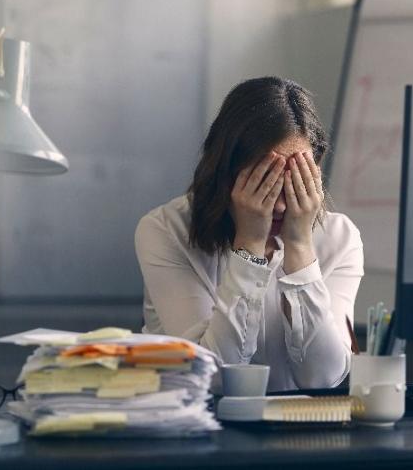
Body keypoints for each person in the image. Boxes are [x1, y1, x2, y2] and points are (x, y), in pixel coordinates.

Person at [135, 76, 363, 391]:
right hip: (194, 427)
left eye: (295, 179)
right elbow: (213, 377)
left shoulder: (340, 238)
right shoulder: (165, 230)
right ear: (226, 169)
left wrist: (299, 248)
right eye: (265, 180)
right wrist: (250, 247)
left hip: (298, 433)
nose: (282, 204)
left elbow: (323, 377)